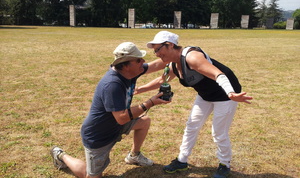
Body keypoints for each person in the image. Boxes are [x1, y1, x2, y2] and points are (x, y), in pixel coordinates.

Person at [135, 31, 253, 178]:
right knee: (192, 126)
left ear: (170, 45)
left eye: (158, 49)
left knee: (218, 132)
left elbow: (218, 74)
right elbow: (161, 80)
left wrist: (230, 93)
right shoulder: (173, 64)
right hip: (205, 95)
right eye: (155, 51)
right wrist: (139, 89)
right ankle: (182, 161)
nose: (157, 54)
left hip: (226, 95)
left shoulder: (192, 57)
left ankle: (224, 164)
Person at [50, 42, 170, 178]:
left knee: (144, 122)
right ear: (125, 65)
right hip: (99, 136)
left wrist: (176, 55)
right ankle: (60, 155)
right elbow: (122, 117)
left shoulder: (130, 72)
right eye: (138, 60)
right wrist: (150, 103)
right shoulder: (112, 84)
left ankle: (134, 156)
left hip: (116, 126)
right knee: (91, 176)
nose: (143, 61)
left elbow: (156, 65)